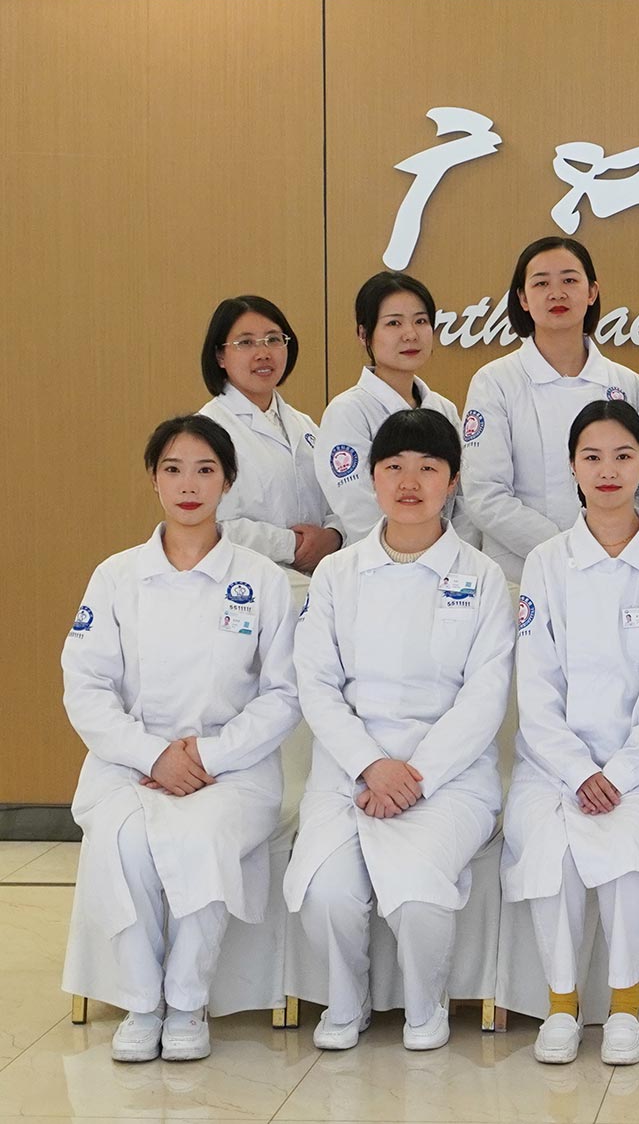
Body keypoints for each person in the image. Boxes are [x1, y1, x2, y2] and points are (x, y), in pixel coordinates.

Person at [61, 416, 298, 1063]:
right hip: (130, 760)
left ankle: (188, 1002)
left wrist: (208, 755)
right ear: (153, 480)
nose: (188, 485)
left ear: (228, 481)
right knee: (124, 842)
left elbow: (284, 693)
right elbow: (85, 687)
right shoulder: (116, 576)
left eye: (205, 470)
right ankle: (143, 1003)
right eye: (173, 469)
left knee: (202, 837)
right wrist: (153, 755)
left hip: (233, 765)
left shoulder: (262, 579)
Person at [284, 409, 515, 1053]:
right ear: (372, 477)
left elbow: (484, 696)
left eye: (428, 468)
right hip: (349, 772)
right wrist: (370, 765)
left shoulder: (482, 577)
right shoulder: (336, 575)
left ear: (453, 480)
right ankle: (347, 1001)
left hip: (448, 776)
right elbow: (317, 684)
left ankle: (425, 1006)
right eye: (394, 467)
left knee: (416, 892)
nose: (410, 482)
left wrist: (416, 776)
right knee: (328, 892)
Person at [504, 400, 639, 1067]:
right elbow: (536, 686)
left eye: (623, 456)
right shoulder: (546, 562)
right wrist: (576, 769)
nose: (608, 470)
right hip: (554, 763)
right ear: (572, 467)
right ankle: (561, 1006)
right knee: (552, 850)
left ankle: (625, 1005)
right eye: (592, 457)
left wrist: (616, 774)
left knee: (626, 848)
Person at [462, 236, 639, 583]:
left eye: (569, 280)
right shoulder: (495, 382)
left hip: (616, 567)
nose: (556, 293)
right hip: (521, 575)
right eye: (541, 283)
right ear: (523, 298)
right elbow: (486, 495)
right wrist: (570, 550)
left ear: (591, 292)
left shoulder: (626, 383)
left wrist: (609, 550)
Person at [316, 271, 476, 544]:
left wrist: (456, 554)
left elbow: (463, 498)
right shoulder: (348, 412)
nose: (410, 334)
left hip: (449, 559)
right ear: (363, 334)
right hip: (380, 560)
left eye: (421, 321)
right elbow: (358, 510)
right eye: (393, 323)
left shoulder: (444, 409)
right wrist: (414, 555)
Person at [195, 295, 341, 577]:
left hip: (318, 580)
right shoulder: (205, 430)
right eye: (245, 343)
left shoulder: (305, 425)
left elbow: (340, 498)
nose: (263, 353)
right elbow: (208, 525)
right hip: (246, 582)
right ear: (220, 356)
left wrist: (334, 535)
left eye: (273, 339)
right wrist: (292, 545)